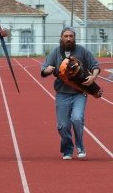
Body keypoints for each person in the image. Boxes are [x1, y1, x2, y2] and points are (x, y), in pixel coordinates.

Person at [41, 26, 100, 160]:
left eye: (71, 36)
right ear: (61, 38)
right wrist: (47, 70)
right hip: (62, 93)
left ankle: (80, 145)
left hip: (79, 93)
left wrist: (93, 77)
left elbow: (95, 65)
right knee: (63, 125)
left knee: (77, 118)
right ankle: (67, 149)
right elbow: (44, 68)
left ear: (74, 37)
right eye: (66, 36)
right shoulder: (56, 52)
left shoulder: (82, 51)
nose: (68, 39)